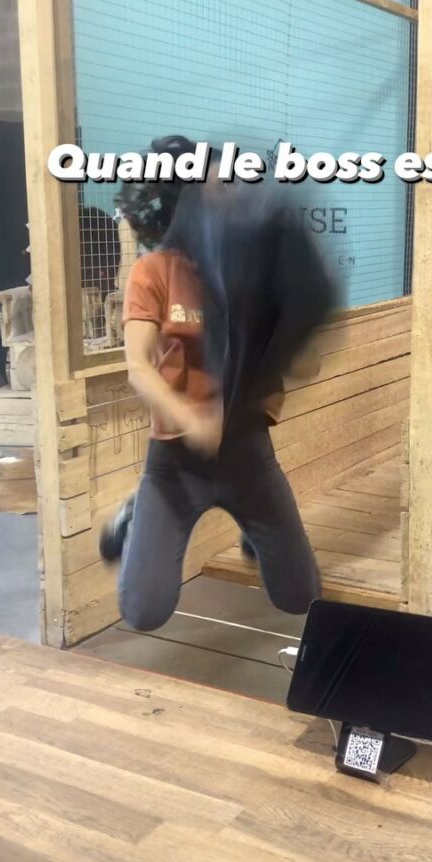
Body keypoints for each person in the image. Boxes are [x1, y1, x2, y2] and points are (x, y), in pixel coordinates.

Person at [100, 136, 337, 631]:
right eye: (216, 185)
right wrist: (190, 418)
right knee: (144, 612)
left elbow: (302, 361)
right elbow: (138, 366)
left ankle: (254, 527)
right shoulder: (156, 271)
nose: (231, 192)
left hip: (249, 453)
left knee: (299, 596)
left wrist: (299, 339)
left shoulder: (257, 267)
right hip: (175, 460)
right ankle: (137, 516)